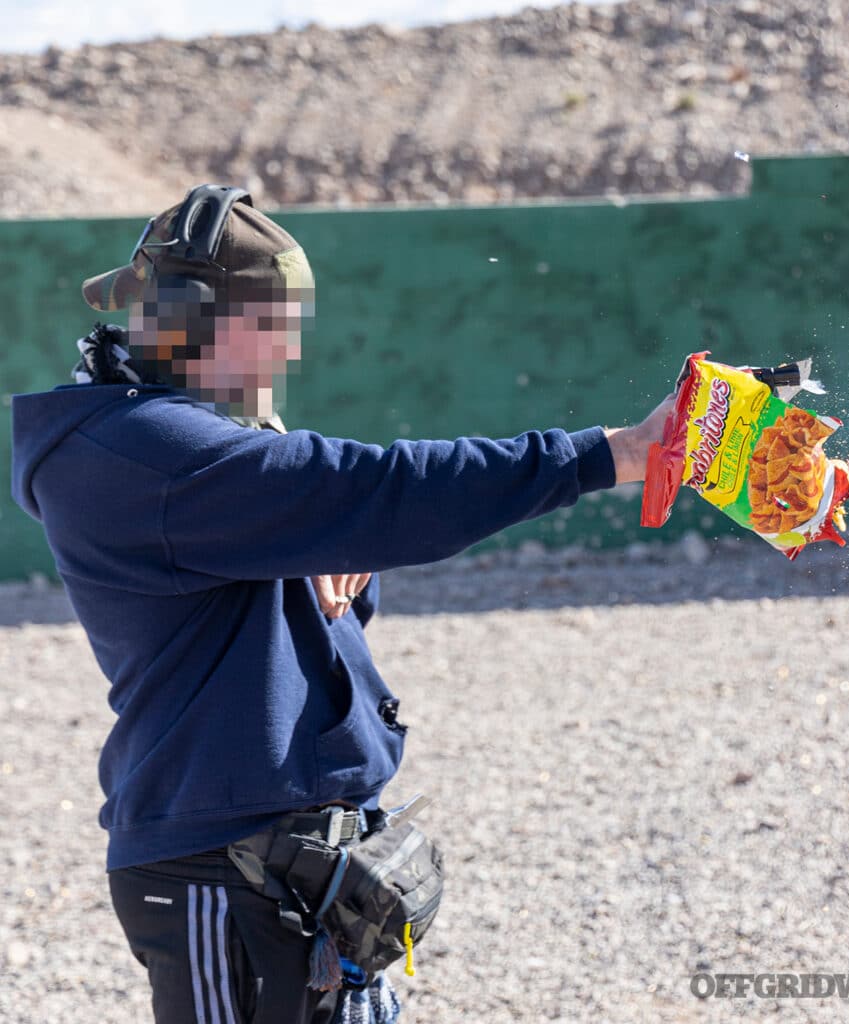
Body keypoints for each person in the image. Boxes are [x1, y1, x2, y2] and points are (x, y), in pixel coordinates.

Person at [9, 184, 677, 1024]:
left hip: (290, 864)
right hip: (221, 871)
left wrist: (324, 541)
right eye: (273, 325)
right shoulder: (152, 458)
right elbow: (383, 490)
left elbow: (329, 559)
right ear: (194, 319)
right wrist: (609, 454)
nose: (286, 353)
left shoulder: (177, 444)